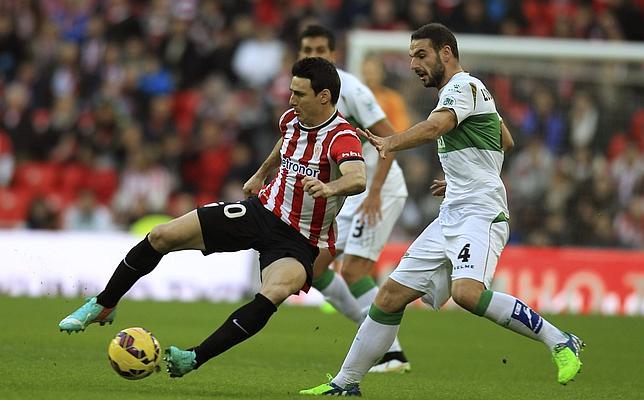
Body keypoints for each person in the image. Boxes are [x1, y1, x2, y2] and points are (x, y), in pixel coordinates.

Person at [300, 23, 584, 397]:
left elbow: (437, 127)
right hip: (453, 211)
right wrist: (468, 176)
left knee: (467, 293)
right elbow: (506, 139)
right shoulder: (467, 92)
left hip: (480, 214)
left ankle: (561, 340)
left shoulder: (462, 86)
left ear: (446, 53)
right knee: (389, 296)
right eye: (411, 56)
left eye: (421, 55)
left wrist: (390, 143)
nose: (414, 64)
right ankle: (345, 383)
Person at [58, 57, 368, 378]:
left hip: (299, 241)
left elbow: (358, 178)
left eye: (299, 94)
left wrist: (330, 187)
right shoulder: (292, 118)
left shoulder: (342, 136)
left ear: (324, 97)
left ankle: (193, 357)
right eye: (291, 92)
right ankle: (105, 303)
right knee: (163, 235)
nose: (291, 100)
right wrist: (262, 173)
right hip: (260, 212)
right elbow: (285, 143)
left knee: (274, 293)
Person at [298, 25, 411, 373]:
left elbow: (390, 139)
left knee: (355, 268)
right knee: (313, 268)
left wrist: (374, 192)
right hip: (351, 191)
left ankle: (391, 353)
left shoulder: (352, 90)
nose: (312, 54)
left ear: (333, 54)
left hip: (378, 187)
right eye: (306, 49)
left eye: (319, 48)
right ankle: (374, 336)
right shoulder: (303, 93)